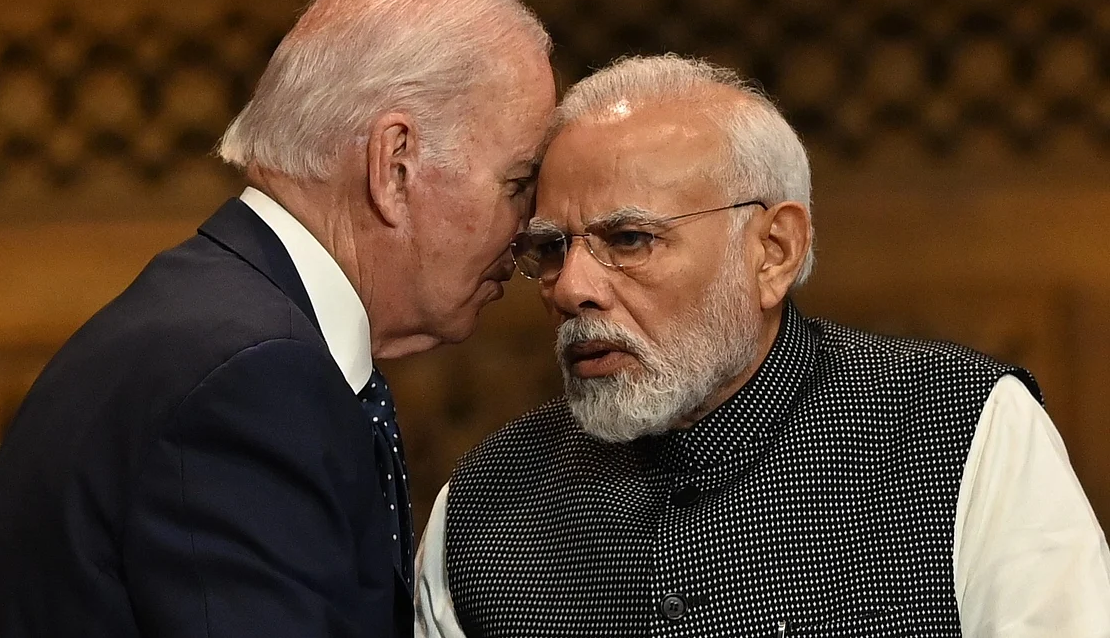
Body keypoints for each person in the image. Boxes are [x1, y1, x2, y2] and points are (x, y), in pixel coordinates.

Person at [0, 0, 555, 636]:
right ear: (394, 163)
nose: (530, 226)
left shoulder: (212, 320)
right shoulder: (251, 378)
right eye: (517, 182)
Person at [415, 55, 1110, 637]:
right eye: (550, 248)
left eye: (628, 239)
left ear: (774, 251)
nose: (571, 287)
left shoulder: (958, 428)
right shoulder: (481, 509)